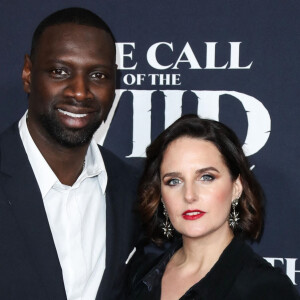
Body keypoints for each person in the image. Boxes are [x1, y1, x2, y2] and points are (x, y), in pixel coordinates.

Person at [0, 7, 141, 300]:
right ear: (28, 73)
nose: (80, 92)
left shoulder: (132, 190)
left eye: (99, 74)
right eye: (60, 71)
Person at [128, 114, 299, 299]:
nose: (189, 195)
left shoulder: (267, 289)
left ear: (236, 187)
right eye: (174, 181)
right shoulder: (140, 275)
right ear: (160, 194)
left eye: (206, 177)